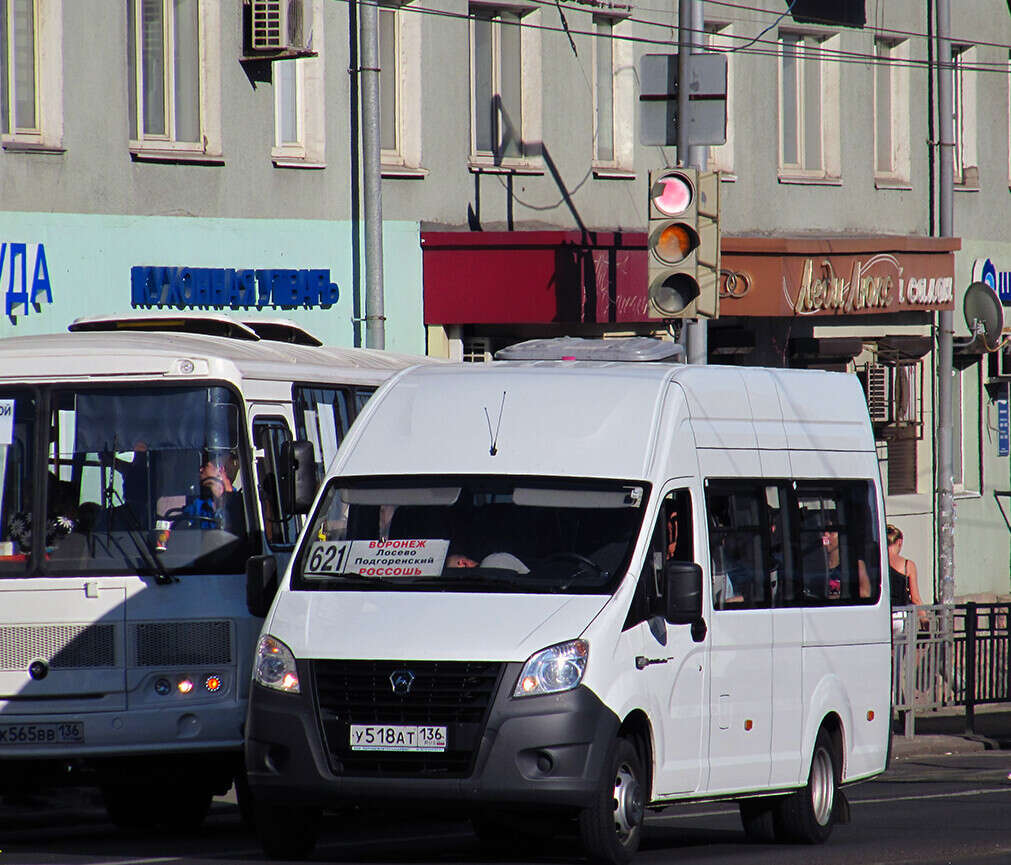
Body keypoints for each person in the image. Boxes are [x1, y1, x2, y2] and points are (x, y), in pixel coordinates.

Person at [181, 451, 244, 532]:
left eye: (205, 466)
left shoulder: (241, 502)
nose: (200, 470)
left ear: (220, 470)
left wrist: (228, 491)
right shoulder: (197, 503)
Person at [888, 524, 927, 628]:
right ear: (899, 542)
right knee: (902, 643)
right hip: (900, 615)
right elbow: (915, 598)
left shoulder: (875, 563)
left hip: (881, 614)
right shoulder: (907, 565)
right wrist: (924, 619)